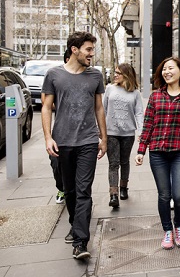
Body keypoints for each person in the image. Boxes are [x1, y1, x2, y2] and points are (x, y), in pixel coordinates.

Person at [41, 32, 107, 260]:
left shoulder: (96, 76)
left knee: (83, 191)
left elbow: (99, 108)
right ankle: (74, 224)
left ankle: (80, 241)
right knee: (69, 190)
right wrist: (48, 137)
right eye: (88, 49)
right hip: (62, 143)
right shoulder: (53, 75)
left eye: (92, 50)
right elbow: (46, 108)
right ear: (74, 49)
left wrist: (104, 138)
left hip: (88, 141)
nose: (92, 54)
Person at [135, 56, 180, 250]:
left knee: (179, 196)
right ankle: (167, 231)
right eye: (164, 69)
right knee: (164, 195)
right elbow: (148, 124)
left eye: (171, 68)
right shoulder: (156, 97)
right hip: (157, 152)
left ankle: (179, 226)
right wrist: (141, 150)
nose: (167, 72)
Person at [103, 63, 143, 208]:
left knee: (124, 161)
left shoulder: (135, 93)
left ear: (126, 75)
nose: (115, 75)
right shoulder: (109, 89)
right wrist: (101, 131)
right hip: (111, 132)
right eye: (115, 72)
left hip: (128, 133)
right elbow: (103, 110)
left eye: (118, 73)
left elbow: (139, 112)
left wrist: (141, 131)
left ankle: (124, 188)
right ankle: (113, 194)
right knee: (113, 163)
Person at [48, 49, 71, 204]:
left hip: (81, 135)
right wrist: (47, 137)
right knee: (56, 165)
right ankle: (61, 188)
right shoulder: (56, 78)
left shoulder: (88, 77)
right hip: (59, 134)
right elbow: (47, 106)